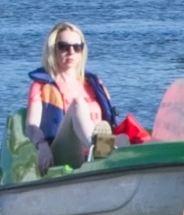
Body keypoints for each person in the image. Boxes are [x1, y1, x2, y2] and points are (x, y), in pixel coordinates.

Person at [26, 22, 117, 173]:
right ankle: (99, 153)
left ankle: (108, 155)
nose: (71, 52)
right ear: (52, 50)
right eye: (63, 47)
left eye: (77, 47)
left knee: (124, 140)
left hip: (100, 146)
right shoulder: (40, 87)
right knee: (78, 105)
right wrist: (42, 146)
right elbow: (31, 126)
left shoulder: (95, 84)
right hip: (63, 152)